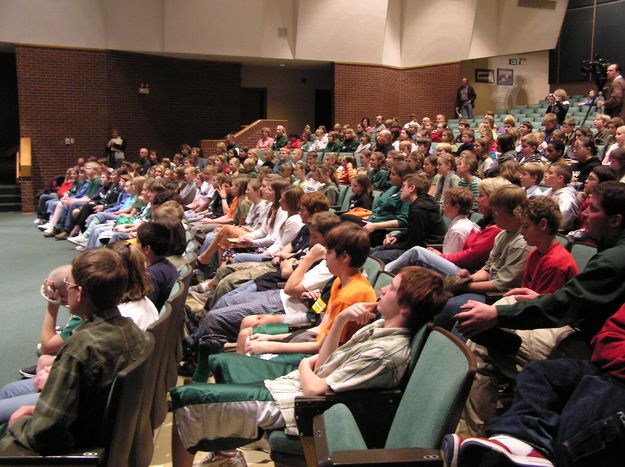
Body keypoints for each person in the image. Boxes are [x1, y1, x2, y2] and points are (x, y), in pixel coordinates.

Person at [170, 266, 451, 467]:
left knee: (188, 402)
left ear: (405, 308)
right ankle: (224, 452)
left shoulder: (386, 352)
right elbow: (327, 362)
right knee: (210, 381)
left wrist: (306, 364)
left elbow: (316, 387)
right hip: (291, 389)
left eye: (392, 288)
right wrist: (340, 322)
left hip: (298, 406)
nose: (383, 289)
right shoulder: (378, 325)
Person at [0, 249, 148, 454]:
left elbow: (45, 432)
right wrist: (37, 411)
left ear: (79, 293)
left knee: (9, 426)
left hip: (79, 446)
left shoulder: (80, 348)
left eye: (68, 286)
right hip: (111, 439)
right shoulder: (136, 332)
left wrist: (19, 425)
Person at [445, 301, 625, 467]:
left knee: (585, 410)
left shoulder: (557, 263)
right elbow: (611, 332)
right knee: (539, 372)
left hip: (584, 343)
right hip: (606, 363)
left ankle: (476, 441)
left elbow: (573, 298)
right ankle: (518, 441)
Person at [456, 181, 625, 358]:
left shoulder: (611, 260)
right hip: (575, 326)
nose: (584, 213)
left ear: (615, 220)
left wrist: (497, 314)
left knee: (480, 334)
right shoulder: (533, 251)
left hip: (589, 342)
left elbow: (565, 306)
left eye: (593, 209)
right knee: (481, 327)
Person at [372, 173, 445, 264]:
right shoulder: (421, 203)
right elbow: (413, 231)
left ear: (412, 188)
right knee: (376, 250)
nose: (401, 190)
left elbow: (415, 243)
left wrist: (389, 246)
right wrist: (397, 237)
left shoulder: (419, 210)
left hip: (425, 250)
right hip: (418, 245)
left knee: (377, 255)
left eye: (403, 186)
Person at [136, 221, 179, 310]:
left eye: (137, 242)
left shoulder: (151, 275)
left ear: (147, 249)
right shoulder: (168, 265)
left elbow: (146, 310)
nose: (134, 245)